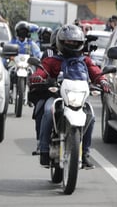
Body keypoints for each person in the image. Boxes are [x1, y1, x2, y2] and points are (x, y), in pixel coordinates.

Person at [30, 24, 109, 169]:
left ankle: (85, 154)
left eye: (74, 42)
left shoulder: (85, 60)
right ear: (61, 42)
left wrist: (103, 81)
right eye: (68, 42)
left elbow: (95, 71)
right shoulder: (53, 60)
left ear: (80, 43)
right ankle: (44, 150)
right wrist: (36, 77)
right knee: (48, 112)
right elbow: (42, 70)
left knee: (90, 117)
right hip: (56, 96)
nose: (71, 44)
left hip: (78, 97)